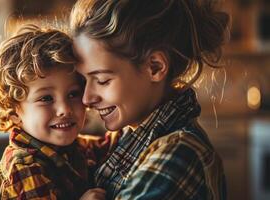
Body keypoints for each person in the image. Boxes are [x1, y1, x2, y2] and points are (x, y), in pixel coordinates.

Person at [70, 0, 230, 199]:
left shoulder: (177, 155)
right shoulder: (128, 137)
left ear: (154, 67)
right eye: (83, 80)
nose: (86, 99)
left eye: (102, 80)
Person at [0, 23, 93, 200]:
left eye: (73, 94)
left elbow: (113, 142)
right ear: (13, 112)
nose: (64, 109)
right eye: (46, 98)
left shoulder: (72, 147)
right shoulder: (24, 168)